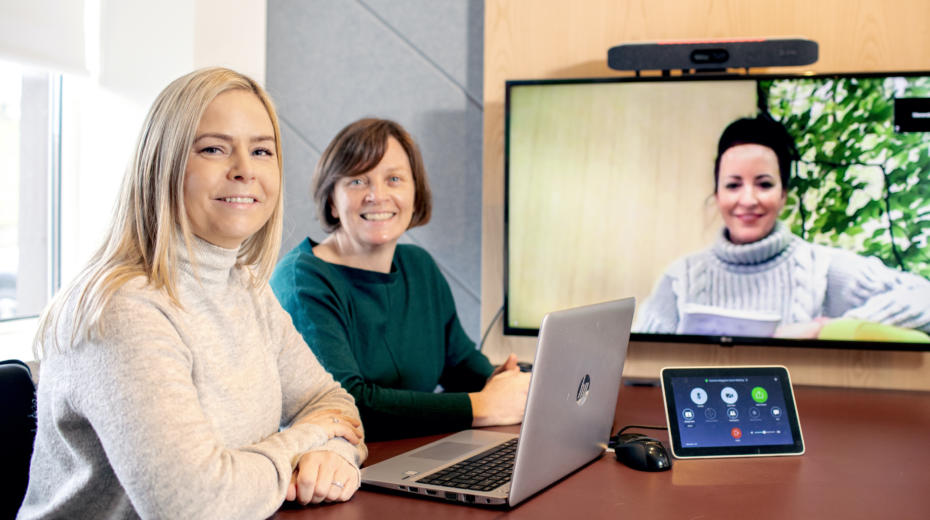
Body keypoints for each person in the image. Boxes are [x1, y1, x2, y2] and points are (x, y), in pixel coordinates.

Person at [18, 68, 367, 520]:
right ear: (162, 163)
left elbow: (335, 408)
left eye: (261, 150)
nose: (244, 170)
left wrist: (335, 456)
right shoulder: (123, 308)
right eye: (214, 149)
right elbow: (194, 507)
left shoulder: (244, 289)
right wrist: (305, 441)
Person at [270, 118, 530, 441]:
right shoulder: (303, 281)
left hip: (412, 459)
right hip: (342, 474)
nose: (377, 195)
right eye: (357, 181)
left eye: (394, 179)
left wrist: (505, 382)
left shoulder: (420, 267)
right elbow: (348, 406)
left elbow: (460, 364)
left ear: (415, 192)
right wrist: (482, 405)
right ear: (332, 200)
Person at [635, 116, 930, 339]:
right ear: (717, 194)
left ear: (783, 194)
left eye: (764, 184)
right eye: (733, 185)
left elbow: (923, 298)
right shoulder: (680, 277)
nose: (748, 199)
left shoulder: (823, 268)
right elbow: (639, 368)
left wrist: (823, 329)